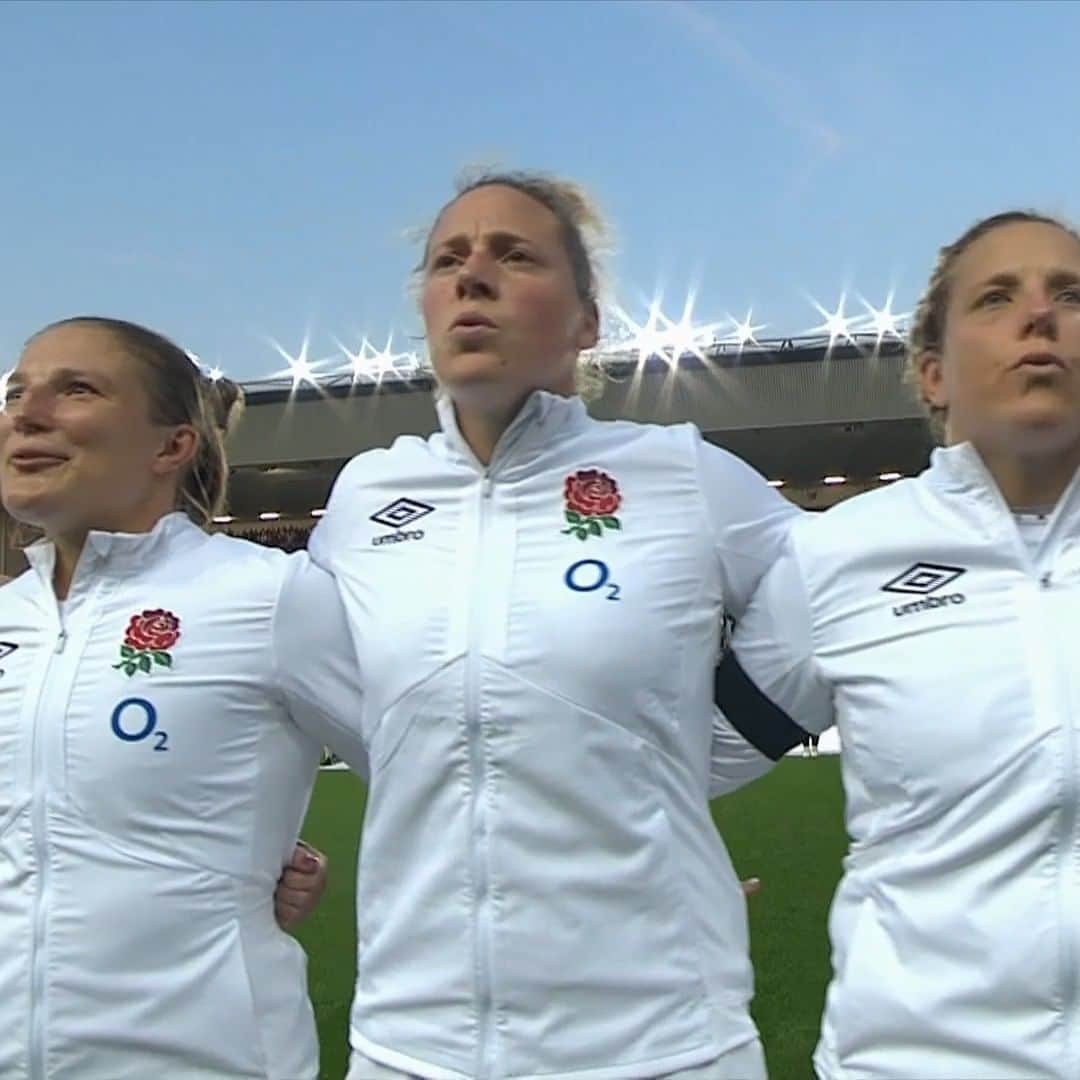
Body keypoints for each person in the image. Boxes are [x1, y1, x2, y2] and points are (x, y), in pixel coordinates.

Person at [304, 171, 797, 1080]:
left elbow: (841, 607)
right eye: (448, 259)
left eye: (515, 255)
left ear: (586, 321)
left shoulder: (680, 475)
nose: (472, 276)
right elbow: (334, 697)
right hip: (410, 1047)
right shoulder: (365, 498)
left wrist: (678, 762)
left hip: (661, 1044)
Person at [713, 210, 1080, 1078]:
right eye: (998, 297)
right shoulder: (839, 555)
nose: (1041, 314)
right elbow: (686, 759)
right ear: (934, 374)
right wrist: (664, 880)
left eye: (1070, 294)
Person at [0, 316, 360, 1079]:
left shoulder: (271, 597)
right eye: (16, 392)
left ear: (172, 445)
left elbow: (441, 774)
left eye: (77, 390)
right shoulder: (8, 619)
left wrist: (246, 864)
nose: (25, 415)